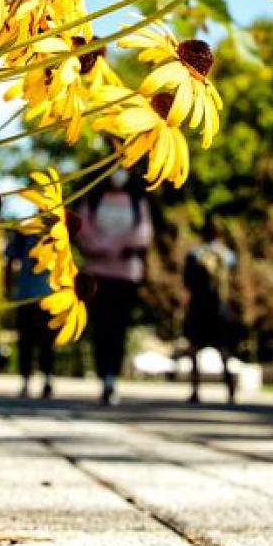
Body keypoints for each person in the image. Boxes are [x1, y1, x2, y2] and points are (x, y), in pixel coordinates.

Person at [75, 168, 153, 407]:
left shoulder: (137, 201)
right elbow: (83, 229)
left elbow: (143, 233)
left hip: (126, 274)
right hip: (97, 272)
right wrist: (104, 246)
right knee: (101, 325)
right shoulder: (94, 200)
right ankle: (103, 374)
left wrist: (118, 246)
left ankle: (112, 377)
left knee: (119, 326)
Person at [181, 222, 239, 404]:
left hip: (198, 307)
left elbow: (187, 281)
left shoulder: (194, 254)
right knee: (224, 350)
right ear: (218, 235)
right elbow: (232, 279)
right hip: (219, 308)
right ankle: (230, 390)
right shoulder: (228, 255)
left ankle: (195, 390)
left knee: (194, 350)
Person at [4, 224, 56, 399]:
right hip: (26, 295)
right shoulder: (23, 232)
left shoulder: (57, 232)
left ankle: (47, 379)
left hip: (49, 297)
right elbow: (10, 259)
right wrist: (8, 288)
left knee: (46, 342)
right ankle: (26, 380)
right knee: (26, 341)